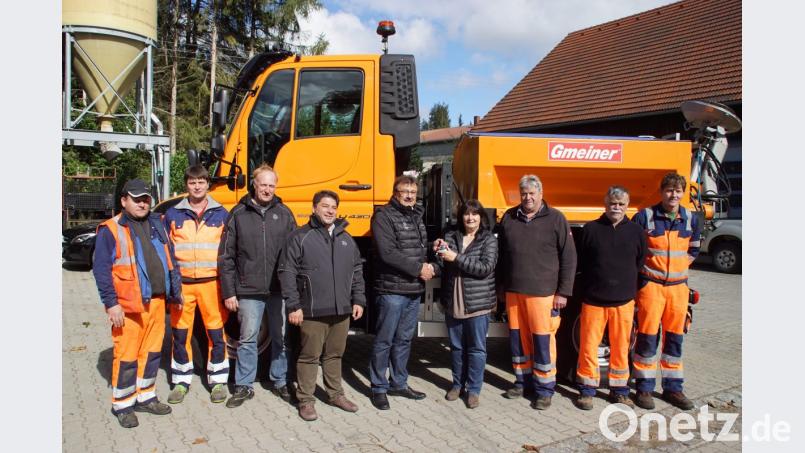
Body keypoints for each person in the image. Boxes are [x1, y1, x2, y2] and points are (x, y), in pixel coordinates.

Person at [92, 179, 182, 428]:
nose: (142, 203)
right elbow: (101, 270)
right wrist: (111, 304)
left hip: (157, 301)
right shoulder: (111, 229)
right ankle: (123, 404)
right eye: (136, 199)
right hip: (128, 306)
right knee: (127, 356)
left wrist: (176, 292)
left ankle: (146, 396)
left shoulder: (157, 223)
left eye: (145, 199)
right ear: (124, 201)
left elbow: (170, 258)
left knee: (152, 353)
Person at [279, 190, 366, 421]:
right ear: (314, 208)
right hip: (312, 310)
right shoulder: (300, 237)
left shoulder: (346, 238)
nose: (330, 211)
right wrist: (293, 305)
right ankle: (306, 400)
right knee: (309, 356)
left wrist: (358, 299)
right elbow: (287, 272)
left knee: (335, 355)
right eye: (325, 206)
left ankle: (335, 394)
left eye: (333, 207)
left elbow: (357, 270)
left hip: (341, 309)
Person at [218, 164, 297, 408]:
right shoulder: (238, 213)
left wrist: (294, 291)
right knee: (248, 338)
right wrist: (229, 291)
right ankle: (244, 385)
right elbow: (226, 256)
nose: (267, 189)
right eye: (263, 184)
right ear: (254, 184)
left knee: (281, 338)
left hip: (278, 289)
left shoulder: (284, 214)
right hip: (248, 289)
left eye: (272, 185)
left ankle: (281, 381)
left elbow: (295, 255)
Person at [498, 174, 576, 410]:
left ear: (541, 194)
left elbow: (569, 257)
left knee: (543, 341)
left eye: (532, 193)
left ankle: (544, 389)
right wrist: (500, 288)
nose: (527, 197)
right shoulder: (509, 217)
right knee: (518, 341)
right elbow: (501, 257)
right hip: (514, 292)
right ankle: (522, 382)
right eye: (524, 193)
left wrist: (563, 292)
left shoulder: (556, 219)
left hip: (543, 294)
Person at [631, 172, 701, 410]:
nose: (673, 195)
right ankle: (644, 388)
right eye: (669, 190)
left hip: (678, 289)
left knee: (674, 341)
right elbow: (634, 250)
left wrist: (677, 271)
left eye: (678, 191)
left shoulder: (690, 219)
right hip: (651, 287)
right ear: (661, 192)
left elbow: (694, 250)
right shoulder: (645, 217)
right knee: (647, 340)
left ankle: (673, 389)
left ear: (683, 193)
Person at [574, 186, 646, 410]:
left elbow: (640, 263)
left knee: (621, 347)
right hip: (593, 300)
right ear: (605, 204)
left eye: (621, 204)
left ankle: (620, 390)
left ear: (627, 205)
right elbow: (581, 263)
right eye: (612, 203)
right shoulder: (590, 229)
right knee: (588, 347)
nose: (616, 207)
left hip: (623, 301)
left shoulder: (636, 232)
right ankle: (587, 390)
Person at [163, 165, 230, 404]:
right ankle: (181, 381)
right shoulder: (173, 214)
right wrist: (172, 286)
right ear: (186, 185)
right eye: (192, 182)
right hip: (183, 285)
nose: (197, 186)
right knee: (180, 334)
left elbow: (227, 252)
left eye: (201, 182)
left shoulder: (222, 214)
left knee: (216, 333)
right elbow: (166, 252)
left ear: (208, 184)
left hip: (211, 284)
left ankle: (218, 381)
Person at [368, 174, 435, 410]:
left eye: (413, 192)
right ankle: (378, 387)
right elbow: (388, 252)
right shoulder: (383, 216)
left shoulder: (415, 215)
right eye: (404, 191)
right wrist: (419, 269)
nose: (409, 196)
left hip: (412, 289)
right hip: (392, 290)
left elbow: (414, 248)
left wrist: (432, 247)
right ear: (395, 193)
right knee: (384, 340)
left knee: (404, 339)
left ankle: (398, 383)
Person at [432, 199, 498, 409]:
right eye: (466, 214)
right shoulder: (452, 236)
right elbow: (442, 262)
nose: (470, 218)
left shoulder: (488, 239)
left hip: (478, 303)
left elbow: (485, 268)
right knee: (457, 348)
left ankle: (474, 390)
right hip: (454, 301)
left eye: (474, 214)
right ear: (461, 217)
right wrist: (437, 250)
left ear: (481, 217)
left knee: (476, 349)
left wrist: (456, 257)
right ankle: (457, 385)